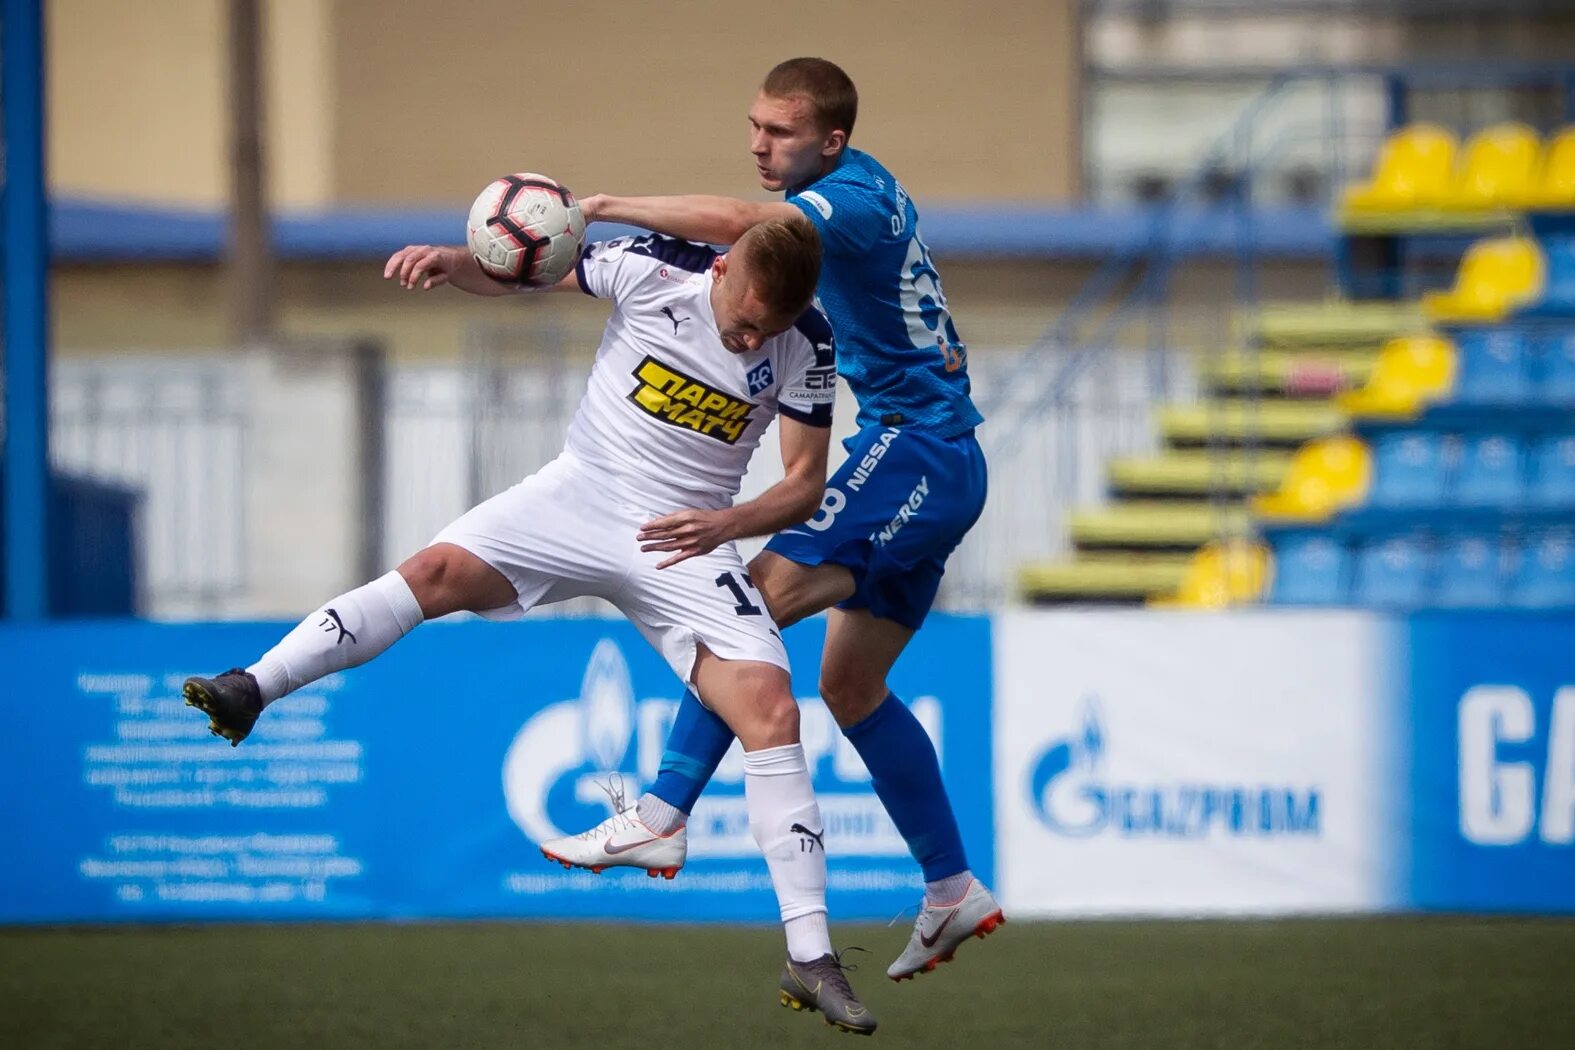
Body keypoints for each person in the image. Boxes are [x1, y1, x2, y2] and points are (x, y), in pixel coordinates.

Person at [181, 214, 876, 1034]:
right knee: (434, 573)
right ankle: (252, 687)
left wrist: (724, 526)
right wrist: (454, 261)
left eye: (769, 328)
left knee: (773, 711)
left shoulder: (807, 340)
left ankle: (809, 955)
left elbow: (801, 483)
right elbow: (528, 268)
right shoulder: (650, 270)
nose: (752, 338)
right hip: (577, 496)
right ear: (721, 269)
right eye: (744, 320)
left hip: (687, 536)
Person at [541, 57, 1003, 983]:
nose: (758, 145)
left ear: (830, 141)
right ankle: (952, 888)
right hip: (930, 457)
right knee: (850, 688)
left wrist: (605, 204)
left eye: (779, 133)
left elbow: (745, 228)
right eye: (754, 126)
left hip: (916, 448)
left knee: (745, 604)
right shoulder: (848, 192)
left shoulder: (848, 201)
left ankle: (663, 816)